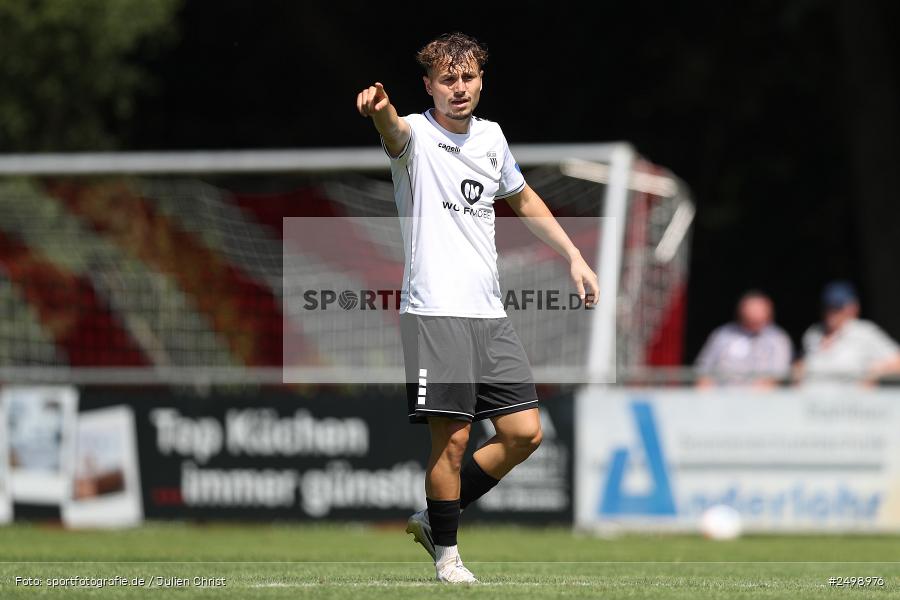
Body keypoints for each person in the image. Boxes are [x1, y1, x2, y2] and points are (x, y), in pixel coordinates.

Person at [356, 32, 598, 583]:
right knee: (454, 439)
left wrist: (575, 256)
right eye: (448, 79)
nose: (459, 88)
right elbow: (391, 131)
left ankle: (433, 518)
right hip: (436, 312)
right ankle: (448, 556)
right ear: (429, 86)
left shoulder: (491, 138)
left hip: (489, 314)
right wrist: (382, 110)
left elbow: (523, 198)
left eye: (467, 78)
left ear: (480, 81)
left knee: (524, 433)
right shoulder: (415, 135)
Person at [797, 281, 900, 386]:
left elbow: (897, 361)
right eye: (827, 307)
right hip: (812, 398)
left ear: (852, 307)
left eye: (837, 307)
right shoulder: (813, 333)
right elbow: (800, 365)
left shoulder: (864, 332)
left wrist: (874, 373)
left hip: (850, 399)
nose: (831, 312)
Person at [695, 290, 792, 388]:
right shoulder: (723, 334)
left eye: (759, 311)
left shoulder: (778, 338)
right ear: (741, 311)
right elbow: (703, 370)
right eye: (752, 311)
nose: (755, 315)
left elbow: (778, 376)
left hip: (760, 399)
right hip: (721, 396)